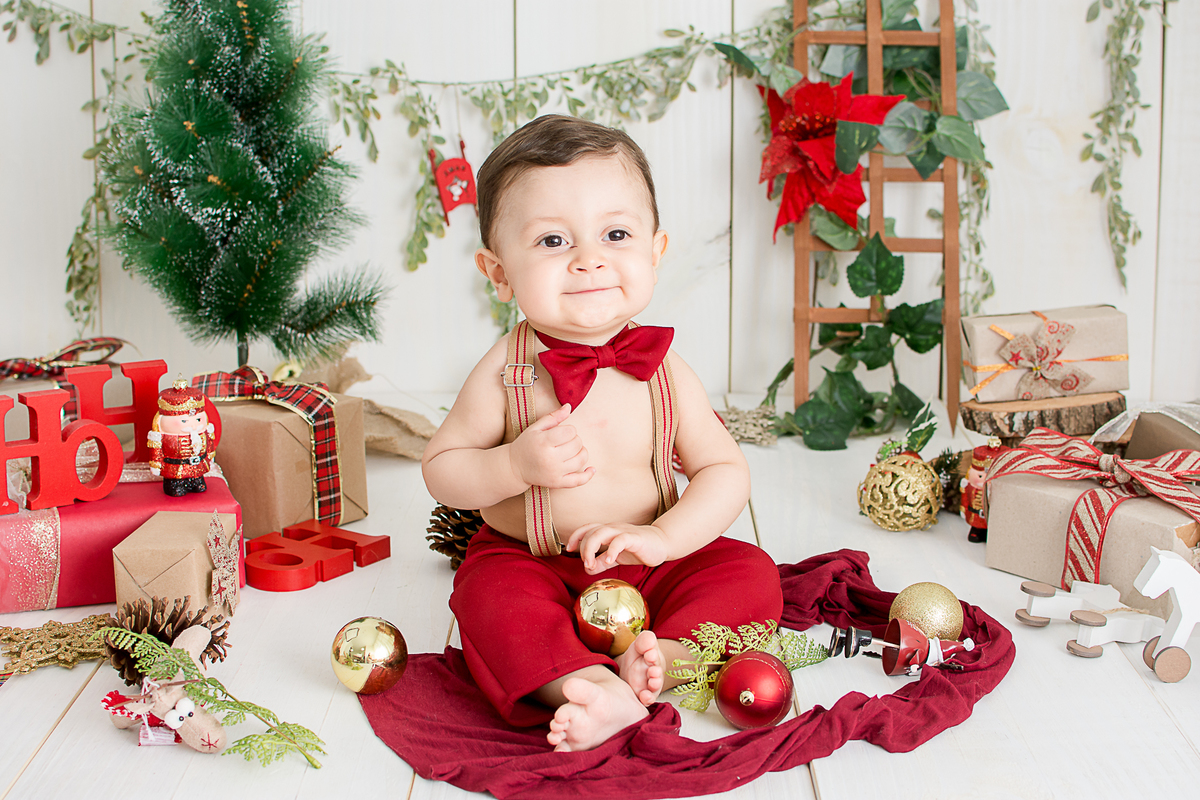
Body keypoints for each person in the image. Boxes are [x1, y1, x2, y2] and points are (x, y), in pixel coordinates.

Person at [422, 115, 783, 752]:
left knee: (749, 570)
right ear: (498, 270)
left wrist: (661, 538)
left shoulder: (666, 372)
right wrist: (512, 465)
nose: (590, 259)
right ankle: (585, 686)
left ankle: (667, 658)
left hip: (651, 561)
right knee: (487, 599)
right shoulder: (505, 370)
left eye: (615, 234)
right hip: (531, 562)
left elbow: (724, 472)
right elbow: (442, 467)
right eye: (553, 241)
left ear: (655, 250)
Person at [147, 379, 215, 497]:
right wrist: (156, 465)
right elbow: (156, 451)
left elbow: (209, 445)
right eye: (184, 421)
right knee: (175, 485)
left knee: (199, 483)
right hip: (175, 467)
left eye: (198, 420)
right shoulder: (160, 437)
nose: (193, 425)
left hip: (198, 465)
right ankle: (176, 486)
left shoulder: (204, 432)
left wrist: (210, 456)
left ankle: (196, 482)